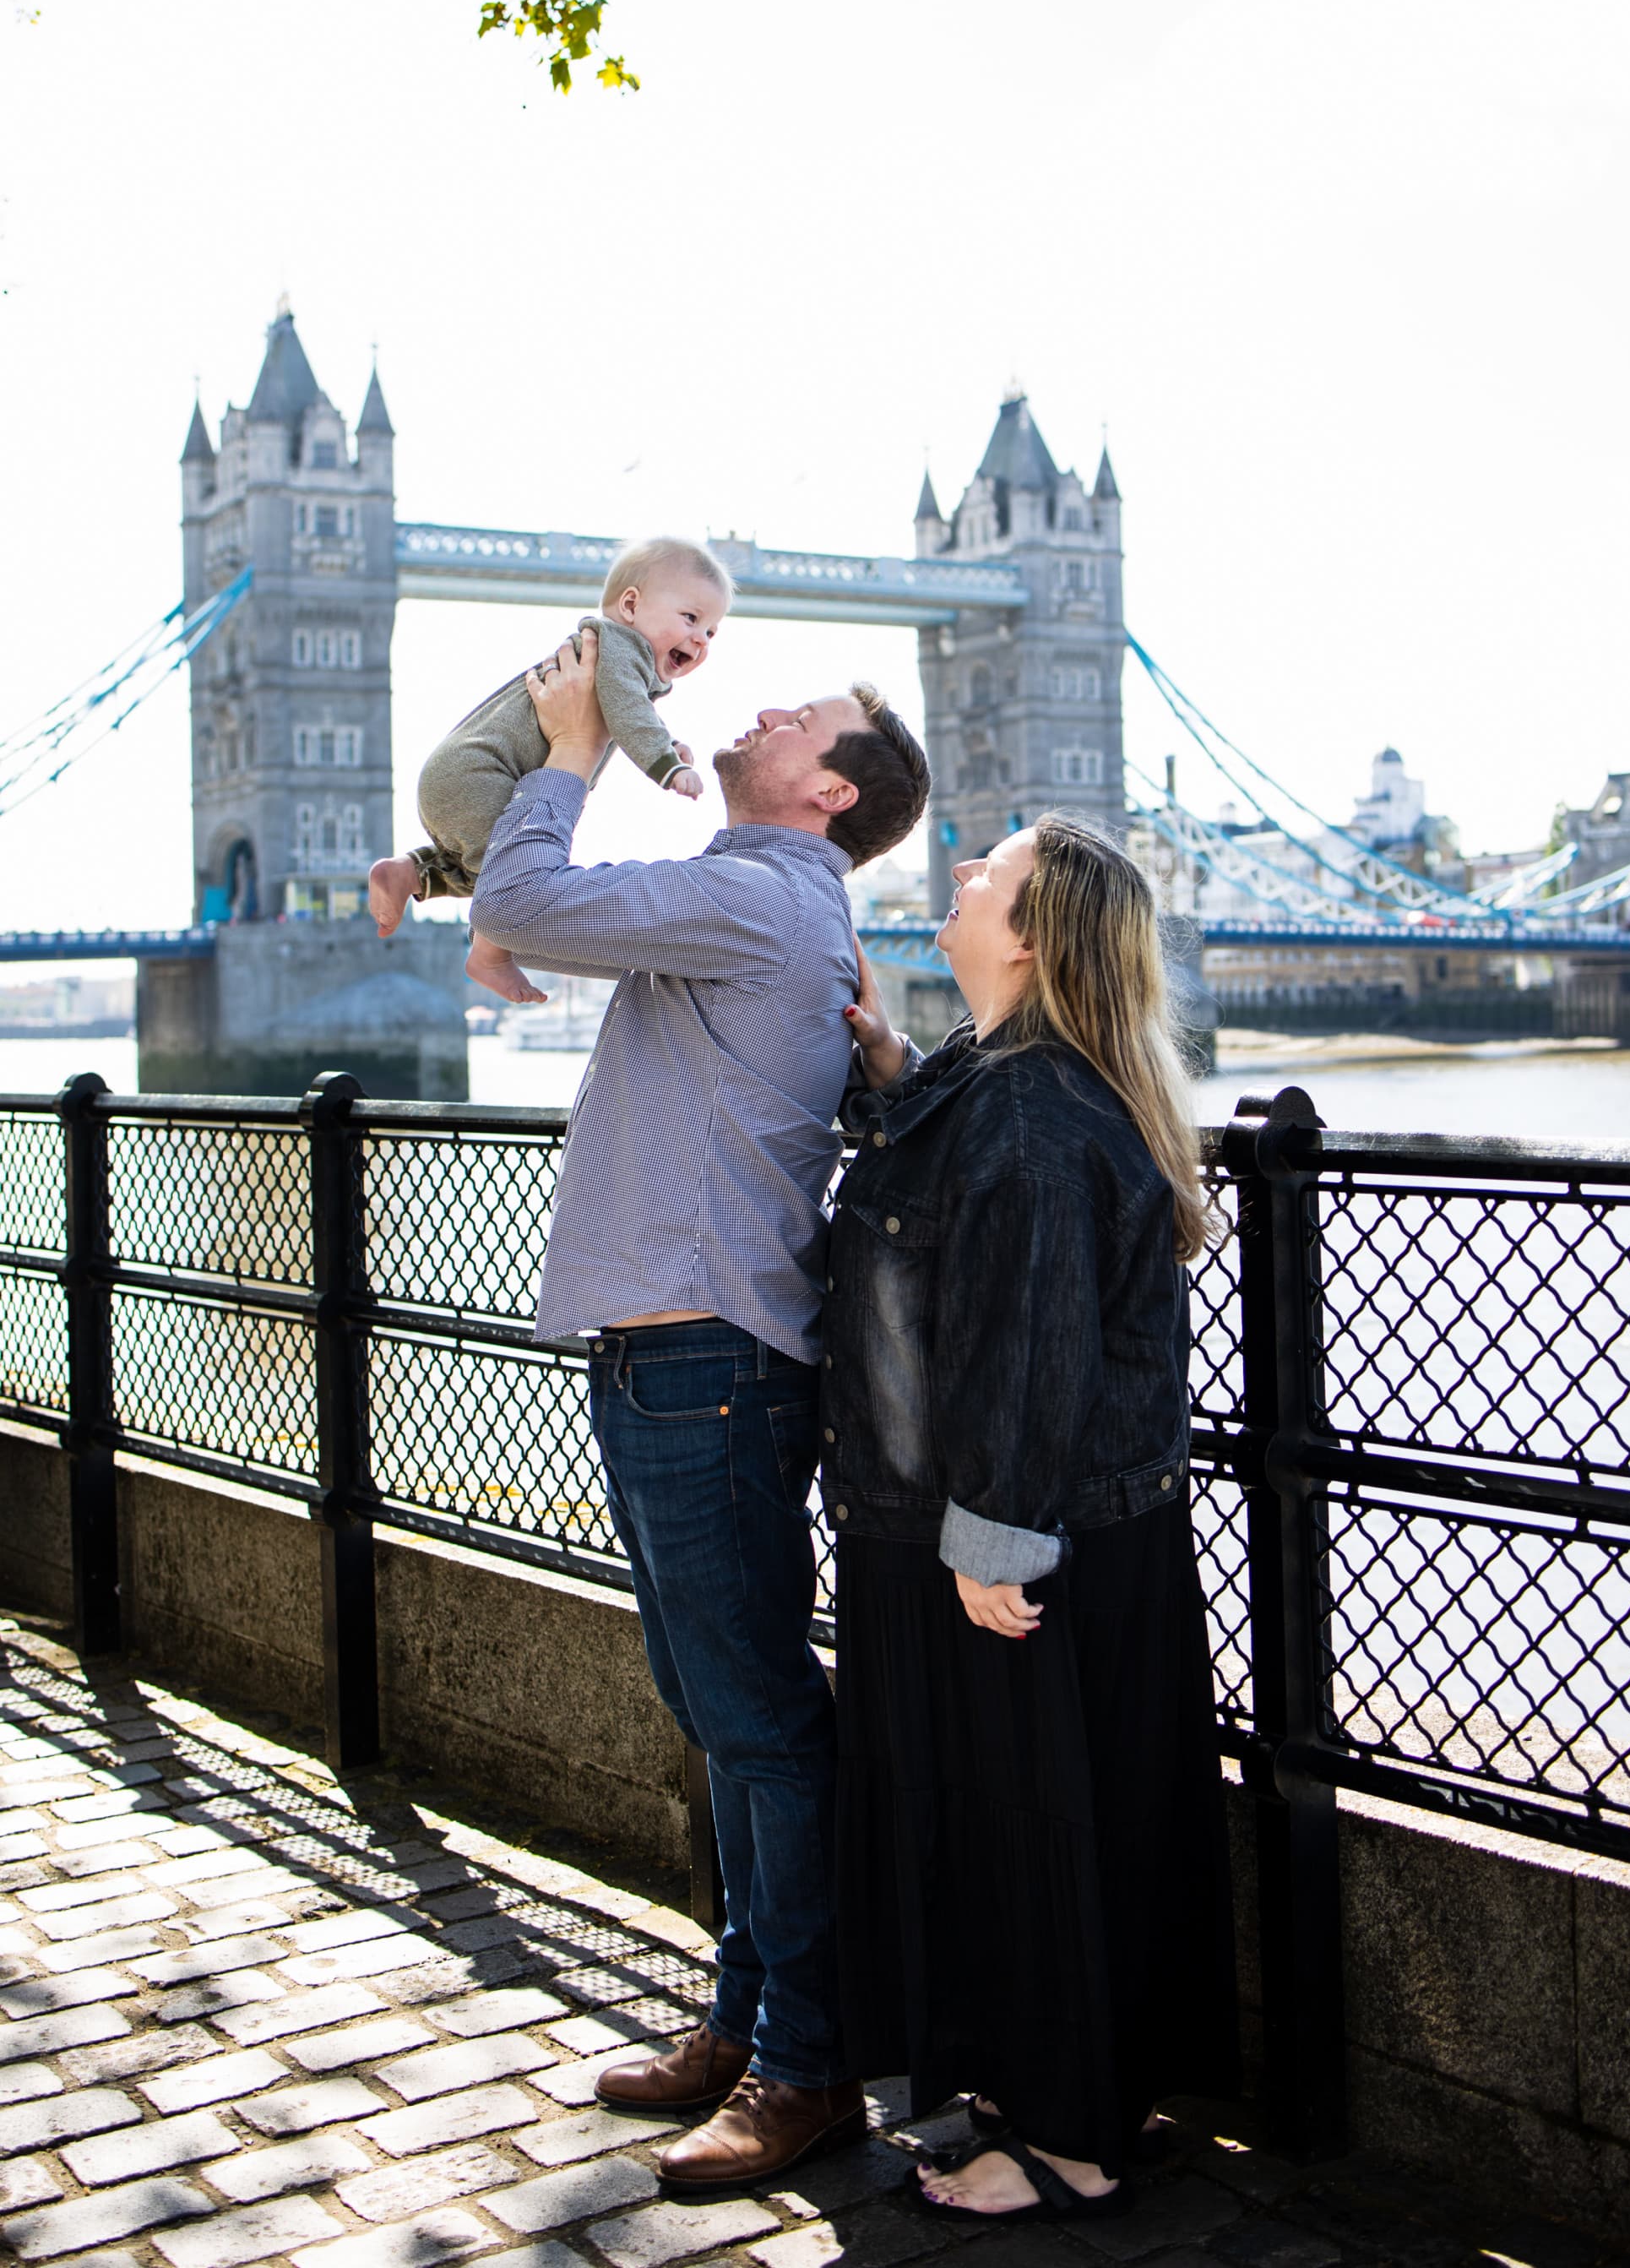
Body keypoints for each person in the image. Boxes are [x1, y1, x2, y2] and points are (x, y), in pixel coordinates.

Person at [470, 626, 931, 2191]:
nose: (775, 704)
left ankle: (806, 2066)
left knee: (757, 1719)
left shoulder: (754, 894)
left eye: (816, 716)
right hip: (683, 1350)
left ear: (829, 790)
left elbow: (524, 898)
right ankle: (744, 2023)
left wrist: (568, 748)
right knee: (721, 1710)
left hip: (710, 1361)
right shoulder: (769, 900)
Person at [822, 813, 1239, 2227]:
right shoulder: (997, 1083)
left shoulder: (1029, 1115)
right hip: (1025, 1530)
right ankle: (1053, 2100)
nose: (956, 880)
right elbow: (938, 1228)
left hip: (1012, 1544)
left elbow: (1025, 1343)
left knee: (1032, 1832)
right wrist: (886, 1073)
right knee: (1031, 1826)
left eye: (984, 874)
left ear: (1030, 934)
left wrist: (993, 1543)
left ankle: (1069, 2142)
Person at [367, 536, 731, 1003]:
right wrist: (666, 767)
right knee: (515, 869)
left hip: (461, 776)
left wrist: (668, 743)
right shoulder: (621, 649)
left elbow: (628, 713)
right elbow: (627, 711)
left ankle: (411, 874)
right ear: (631, 605)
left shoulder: (618, 659)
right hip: (482, 773)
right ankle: (490, 955)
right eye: (691, 618)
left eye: (712, 632)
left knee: (491, 865)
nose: (701, 638)